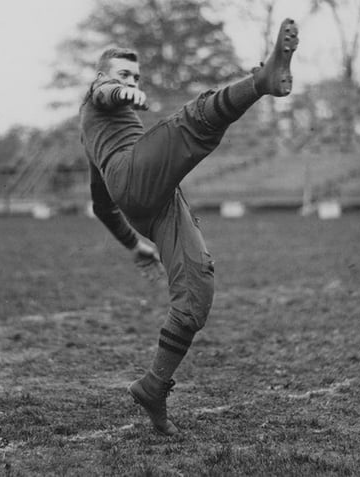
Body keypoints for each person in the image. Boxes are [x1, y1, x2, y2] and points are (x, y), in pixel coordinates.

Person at [80, 18, 299, 436]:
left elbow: (100, 204)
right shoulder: (97, 99)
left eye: (136, 76)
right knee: (191, 122)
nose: (131, 81)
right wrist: (121, 90)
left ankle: (153, 386)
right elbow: (103, 93)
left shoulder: (98, 134)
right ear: (101, 77)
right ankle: (262, 80)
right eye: (123, 74)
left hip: (150, 205)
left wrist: (134, 245)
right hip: (133, 176)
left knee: (197, 289)